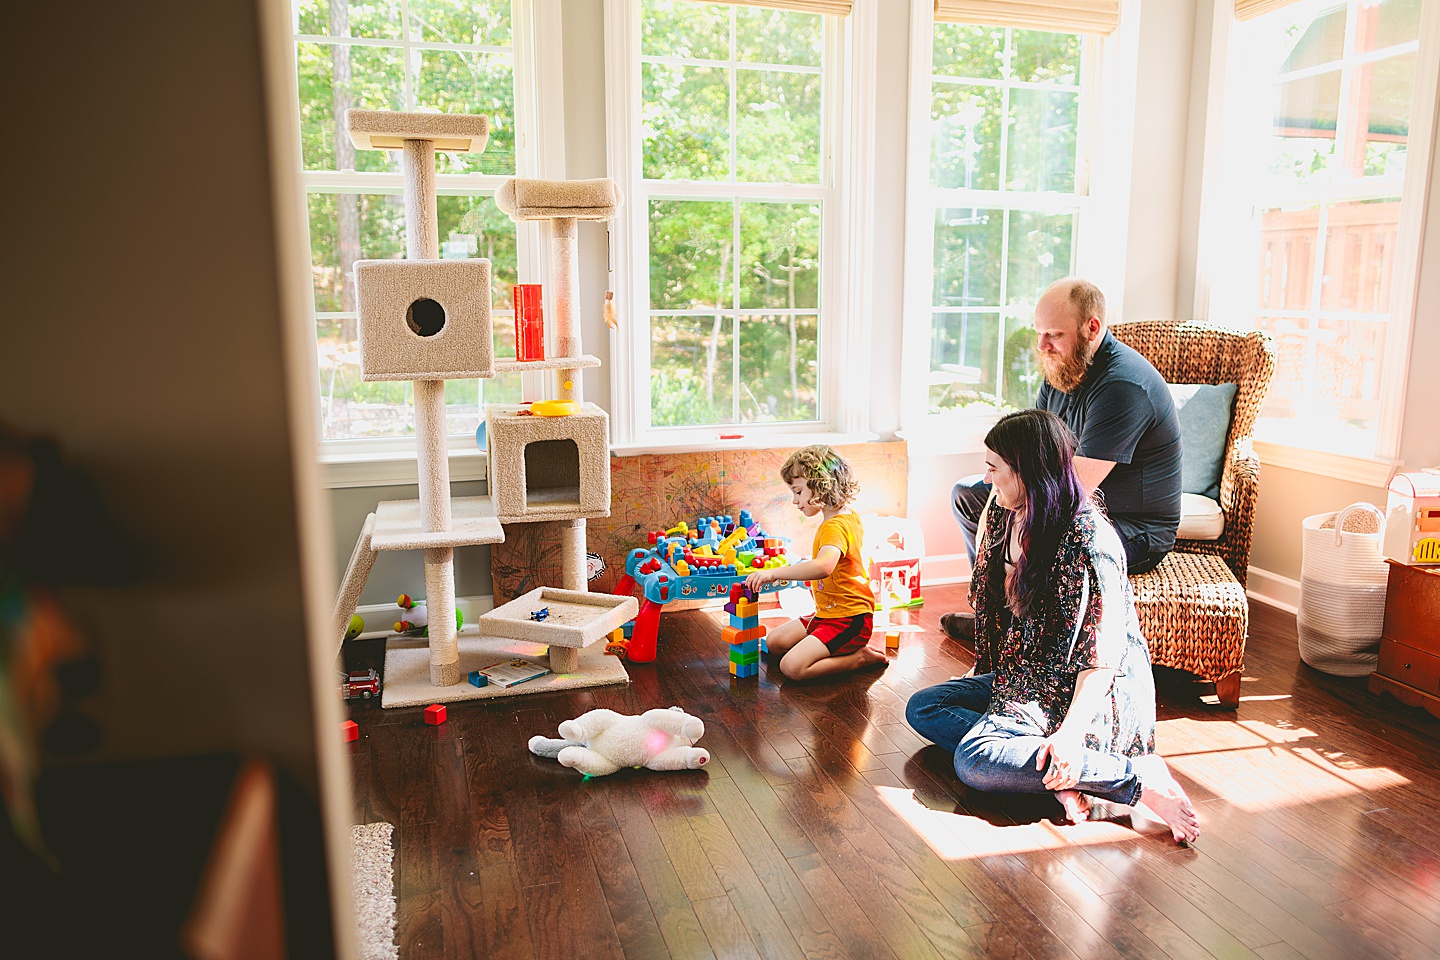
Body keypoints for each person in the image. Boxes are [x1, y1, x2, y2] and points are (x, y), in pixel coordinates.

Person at [908, 409, 1199, 844]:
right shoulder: (1012, 516)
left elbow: (1102, 656)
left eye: (993, 469)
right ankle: (1066, 775)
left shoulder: (1087, 540)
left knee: (975, 761)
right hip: (1029, 675)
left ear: (1026, 471)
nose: (986, 480)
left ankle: (1133, 779)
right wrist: (985, 674)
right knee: (924, 707)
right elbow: (1000, 618)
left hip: (1086, 688)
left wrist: (1069, 733)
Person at [943, 278, 1182, 642]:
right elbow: (1025, 451)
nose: (1042, 346)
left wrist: (1012, 508)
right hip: (1073, 501)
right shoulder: (1062, 369)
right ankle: (994, 614)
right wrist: (998, 495)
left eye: (1053, 334)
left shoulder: (1123, 387)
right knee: (970, 494)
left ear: (1092, 328)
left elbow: (1071, 491)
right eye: (1039, 334)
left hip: (1130, 528)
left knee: (1042, 518)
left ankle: (1019, 629)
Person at [745, 445, 886, 680]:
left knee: (792, 667)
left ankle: (858, 658)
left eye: (798, 492)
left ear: (821, 486)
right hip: (827, 614)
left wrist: (775, 573)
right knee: (774, 642)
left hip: (849, 621)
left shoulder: (835, 526)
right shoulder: (845, 516)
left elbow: (824, 567)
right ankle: (823, 646)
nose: (794, 500)